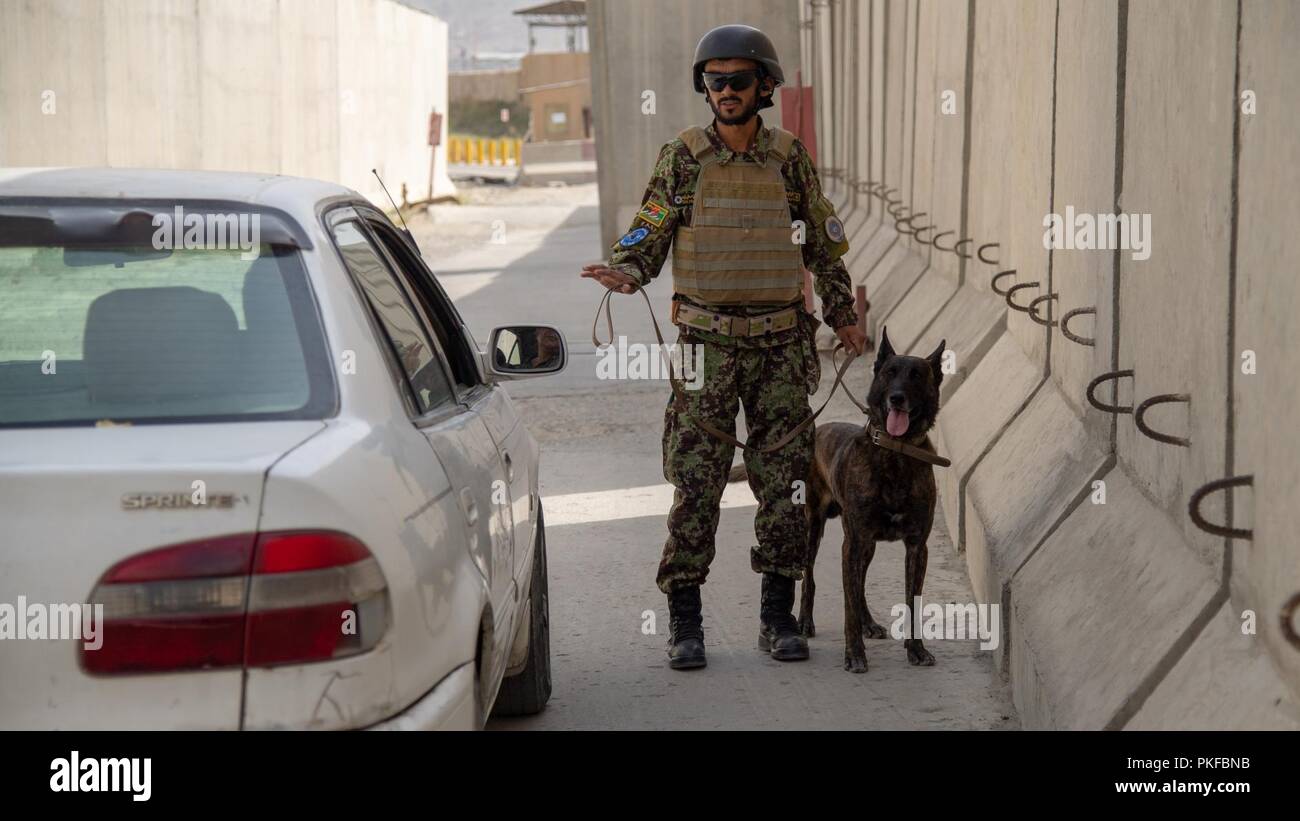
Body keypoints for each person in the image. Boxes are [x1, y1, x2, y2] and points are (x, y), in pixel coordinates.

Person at [580, 24, 866, 670]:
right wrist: (625, 271)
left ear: (764, 86)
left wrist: (843, 313)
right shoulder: (683, 158)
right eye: (715, 80)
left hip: (780, 347)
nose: (726, 91)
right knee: (697, 483)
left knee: (786, 482)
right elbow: (650, 230)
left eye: (738, 80)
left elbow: (821, 244)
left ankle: (776, 615)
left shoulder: (789, 158)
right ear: (703, 87)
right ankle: (685, 622)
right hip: (705, 346)